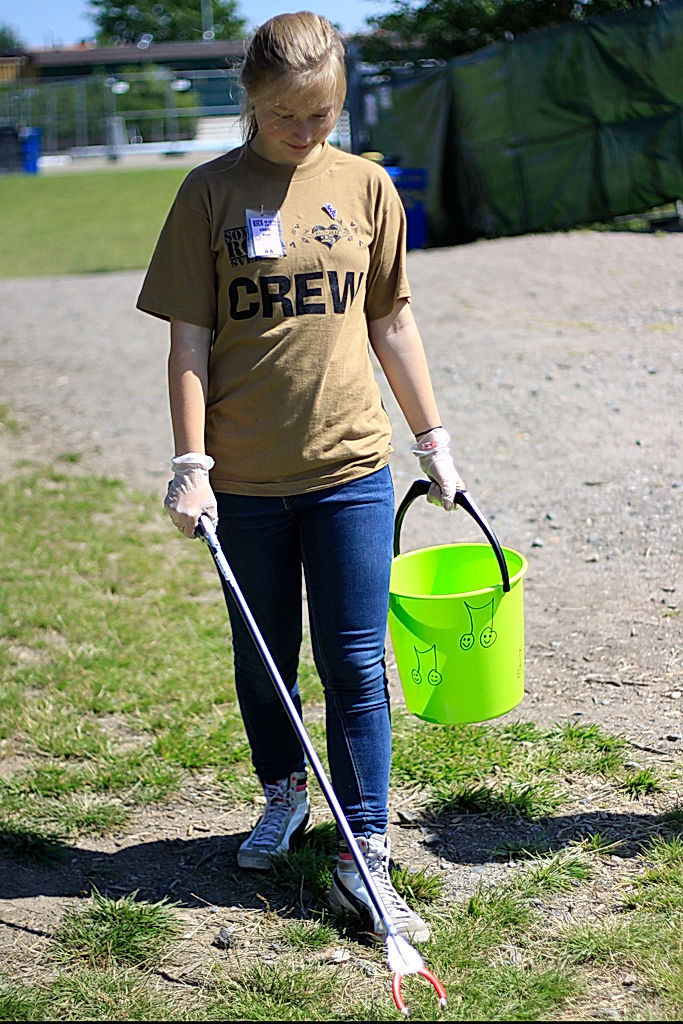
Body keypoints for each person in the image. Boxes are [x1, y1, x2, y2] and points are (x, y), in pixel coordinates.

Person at [136, 11, 464, 944]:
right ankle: (284, 791)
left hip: (351, 469)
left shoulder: (366, 186)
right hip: (243, 482)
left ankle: (366, 849)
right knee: (264, 655)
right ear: (250, 98)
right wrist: (190, 464)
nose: (305, 131)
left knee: (355, 660)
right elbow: (188, 342)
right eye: (286, 115)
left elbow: (391, 322)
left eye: (321, 114)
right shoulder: (207, 193)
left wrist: (433, 439)